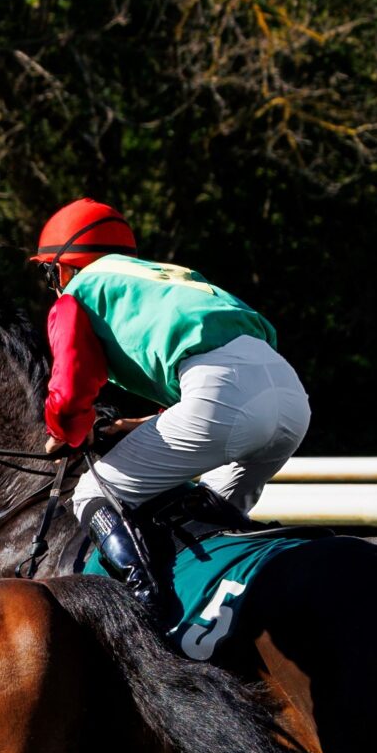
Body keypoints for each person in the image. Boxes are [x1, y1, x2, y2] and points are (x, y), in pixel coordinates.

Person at [34, 198, 308, 630]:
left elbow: (70, 389)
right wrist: (132, 425)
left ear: (64, 269)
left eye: (50, 275)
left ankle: (145, 610)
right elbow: (221, 370)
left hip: (223, 398)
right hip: (291, 398)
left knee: (93, 491)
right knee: (210, 510)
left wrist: (65, 431)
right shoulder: (169, 278)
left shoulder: (76, 293)